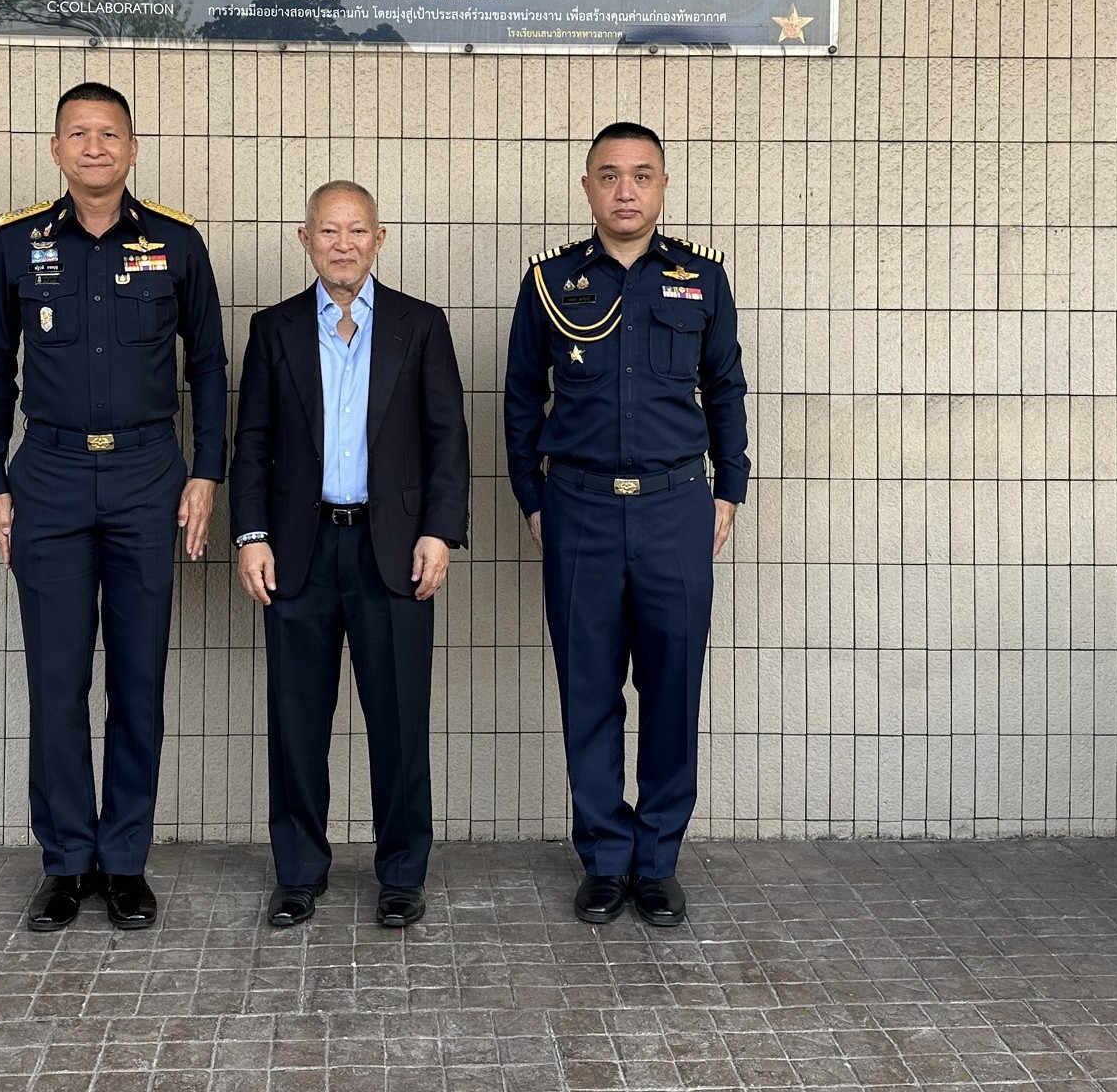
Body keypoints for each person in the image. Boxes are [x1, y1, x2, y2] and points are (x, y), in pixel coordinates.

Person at [0, 81, 227, 932]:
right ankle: (66, 861)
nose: (94, 147)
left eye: (109, 134)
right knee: (57, 681)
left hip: (149, 475)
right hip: (47, 475)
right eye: (78, 134)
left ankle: (124, 861)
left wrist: (207, 472)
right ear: (56, 150)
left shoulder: (176, 243)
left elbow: (209, 363)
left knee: (138, 680)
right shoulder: (17, 245)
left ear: (132, 149)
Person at [503, 122, 748, 927]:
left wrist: (729, 489)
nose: (626, 190)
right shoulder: (551, 282)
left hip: (677, 507)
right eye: (609, 175)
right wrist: (532, 499)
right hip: (579, 510)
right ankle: (606, 858)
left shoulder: (701, 280)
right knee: (590, 690)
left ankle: (657, 861)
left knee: (672, 689)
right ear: (588, 188)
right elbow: (519, 397)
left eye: (642, 174)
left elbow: (725, 387)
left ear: (663, 186)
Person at [229, 181, 470, 928]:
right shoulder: (273, 329)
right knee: (297, 721)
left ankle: (401, 873)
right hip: (297, 553)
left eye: (357, 230)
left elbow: (448, 439)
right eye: (328, 231)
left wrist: (439, 532)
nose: (343, 244)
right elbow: (253, 443)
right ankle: (299, 871)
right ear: (305, 240)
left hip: (390, 551)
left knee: (399, 722)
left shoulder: (419, 325)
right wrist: (250, 535)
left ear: (379, 238)